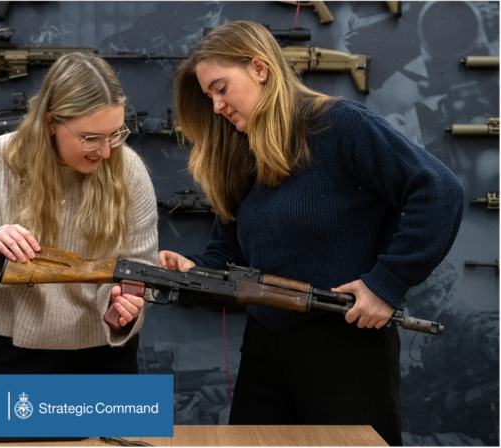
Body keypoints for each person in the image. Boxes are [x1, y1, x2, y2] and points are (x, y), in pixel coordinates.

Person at [159, 21, 464, 446]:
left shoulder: (341, 126)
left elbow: (439, 190)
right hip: (264, 351)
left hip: (346, 348)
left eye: (221, 88)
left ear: (260, 68)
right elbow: (226, 255)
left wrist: (386, 284)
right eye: (209, 95)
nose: (216, 105)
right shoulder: (242, 153)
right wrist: (191, 273)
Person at [0, 53, 158, 375]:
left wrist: (124, 303)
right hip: (11, 353)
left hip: (106, 350)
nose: (105, 151)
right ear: (50, 122)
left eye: (115, 134)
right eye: (90, 137)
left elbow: (139, 266)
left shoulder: (129, 171)